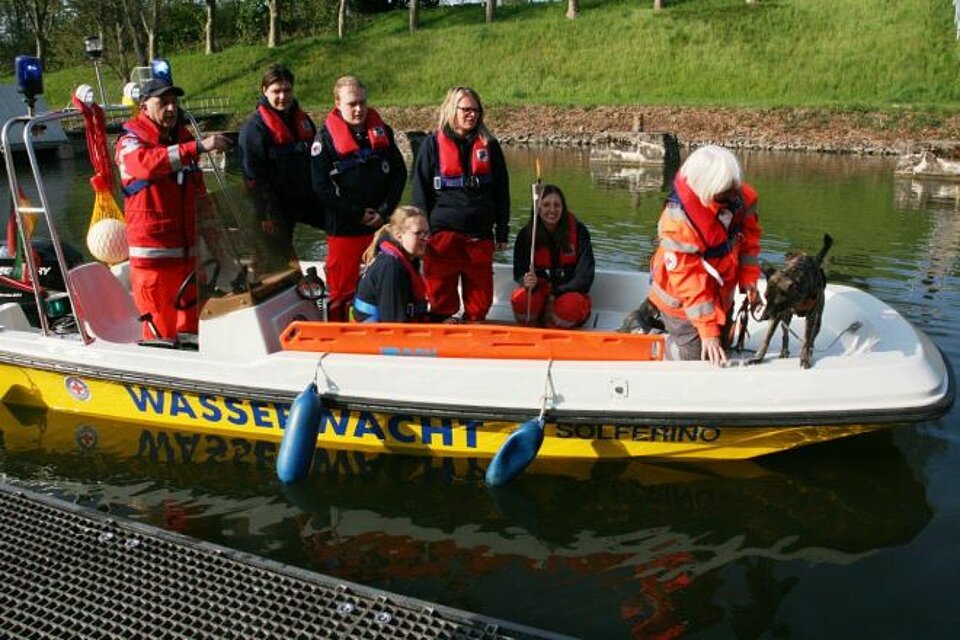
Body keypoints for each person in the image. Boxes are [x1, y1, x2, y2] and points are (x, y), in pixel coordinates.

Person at [115, 77, 231, 340]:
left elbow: (200, 195)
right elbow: (145, 164)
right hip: (153, 259)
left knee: (193, 327)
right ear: (144, 106)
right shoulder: (129, 142)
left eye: (174, 102)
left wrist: (217, 244)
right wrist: (199, 146)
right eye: (163, 102)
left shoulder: (182, 139)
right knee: (160, 331)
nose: (171, 109)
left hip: (188, 255)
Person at [646, 145, 763, 366]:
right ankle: (651, 334)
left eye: (733, 189)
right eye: (724, 193)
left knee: (722, 349)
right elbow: (688, 279)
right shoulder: (677, 222)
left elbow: (750, 241)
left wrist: (749, 280)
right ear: (707, 189)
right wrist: (708, 330)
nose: (732, 195)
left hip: (719, 294)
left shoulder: (738, 197)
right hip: (681, 301)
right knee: (697, 356)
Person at [311, 75, 407, 321]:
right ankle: (340, 341)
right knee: (342, 292)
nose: (358, 109)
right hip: (344, 227)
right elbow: (321, 187)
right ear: (337, 103)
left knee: (385, 284)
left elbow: (399, 173)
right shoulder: (325, 140)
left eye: (362, 103)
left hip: (380, 224)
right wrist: (356, 213)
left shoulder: (382, 132)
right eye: (352, 104)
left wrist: (385, 212)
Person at [412, 86, 510, 322]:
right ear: (451, 109)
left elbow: (502, 191)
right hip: (442, 236)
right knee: (440, 301)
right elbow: (420, 191)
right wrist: (422, 233)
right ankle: (441, 337)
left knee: (480, 304)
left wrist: (503, 229)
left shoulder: (489, 146)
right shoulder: (432, 145)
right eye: (466, 109)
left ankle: (473, 334)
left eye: (476, 110)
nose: (472, 115)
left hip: (479, 236)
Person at [239, 63, 322, 257]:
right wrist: (266, 213)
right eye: (276, 91)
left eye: (287, 90)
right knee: (276, 259)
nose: (283, 97)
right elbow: (252, 178)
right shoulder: (254, 128)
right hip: (274, 206)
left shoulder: (303, 121)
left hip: (305, 198)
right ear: (264, 90)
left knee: (341, 222)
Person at [511, 184, 595, 328]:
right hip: (539, 292)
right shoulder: (526, 235)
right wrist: (525, 280)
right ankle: (530, 328)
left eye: (557, 205)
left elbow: (585, 277)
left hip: (569, 293)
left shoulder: (579, 232)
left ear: (563, 208)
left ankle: (552, 328)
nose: (552, 210)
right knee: (521, 300)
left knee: (570, 306)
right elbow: (519, 271)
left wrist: (554, 295)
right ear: (538, 208)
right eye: (546, 205)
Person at [352, 206, 431, 323]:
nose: (425, 239)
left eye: (426, 233)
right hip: (375, 336)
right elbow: (393, 323)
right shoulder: (390, 267)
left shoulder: (408, 259)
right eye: (418, 233)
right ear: (399, 235)